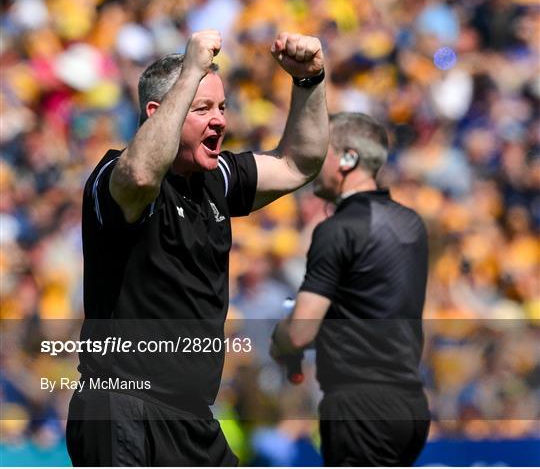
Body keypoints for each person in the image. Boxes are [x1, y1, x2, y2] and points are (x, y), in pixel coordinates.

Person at [66, 30, 328, 466]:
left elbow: (298, 163)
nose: (220, 120)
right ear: (158, 113)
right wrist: (190, 70)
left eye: (222, 107)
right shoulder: (116, 176)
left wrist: (309, 81)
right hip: (122, 407)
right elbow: (143, 176)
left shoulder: (215, 179)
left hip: (192, 417)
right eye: (202, 108)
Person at [271, 112, 431, 466]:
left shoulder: (337, 230)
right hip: (411, 404)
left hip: (359, 407)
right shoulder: (412, 224)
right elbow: (368, 311)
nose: (311, 158)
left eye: (321, 150)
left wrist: (280, 338)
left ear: (348, 158)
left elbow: (299, 333)